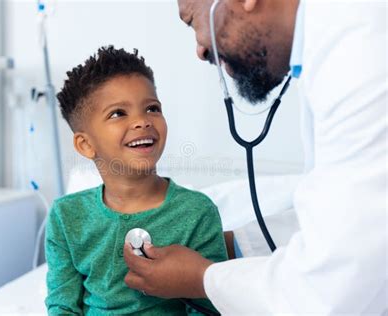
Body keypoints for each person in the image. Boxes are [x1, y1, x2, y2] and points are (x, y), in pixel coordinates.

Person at [124, 0, 387, 314]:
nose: (200, 50)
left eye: (193, 21)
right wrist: (231, 246)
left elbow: (332, 285)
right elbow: (349, 218)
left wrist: (200, 278)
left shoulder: (361, 51)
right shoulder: (335, 42)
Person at [45, 45, 228, 315]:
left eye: (152, 108)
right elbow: (62, 305)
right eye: (118, 113)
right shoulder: (66, 216)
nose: (142, 121)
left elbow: (209, 307)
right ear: (85, 144)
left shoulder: (197, 212)